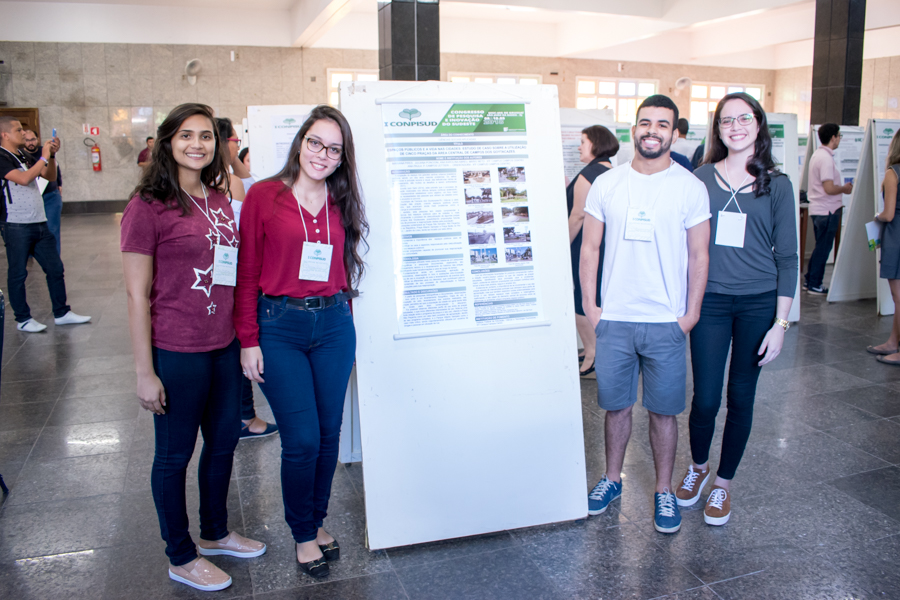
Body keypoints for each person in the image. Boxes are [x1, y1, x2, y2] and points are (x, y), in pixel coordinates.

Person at [121, 103, 266, 592]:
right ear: (167, 142)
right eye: (186, 135)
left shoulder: (220, 199)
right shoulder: (147, 206)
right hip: (177, 348)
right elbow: (135, 295)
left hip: (222, 345)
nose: (197, 145)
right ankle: (180, 556)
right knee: (174, 455)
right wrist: (145, 372)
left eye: (206, 136)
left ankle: (215, 532)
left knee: (223, 442)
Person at [236, 105, 367, 577]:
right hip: (280, 326)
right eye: (316, 142)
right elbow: (247, 271)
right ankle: (303, 533)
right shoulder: (264, 196)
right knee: (303, 439)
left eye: (334, 148)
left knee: (329, 435)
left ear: (341, 156)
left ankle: (315, 520)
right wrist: (248, 340)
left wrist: (346, 322)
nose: (323, 154)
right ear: (300, 142)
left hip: (333, 325)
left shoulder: (341, 198)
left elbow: (342, 268)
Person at [580, 95, 710, 534]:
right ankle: (611, 480)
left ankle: (663, 491)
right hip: (614, 319)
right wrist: (592, 308)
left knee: (663, 412)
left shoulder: (689, 186)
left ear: (675, 133)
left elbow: (699, 255)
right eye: (645, 123)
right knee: (615, 408)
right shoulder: (609, 184)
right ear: (633, 130)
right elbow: (591, 249)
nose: (652, 130)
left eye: (662, 124)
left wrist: (689, 315)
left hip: (667, 322)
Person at [674, 93, 797, 526]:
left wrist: (780, 324)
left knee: (741, 396)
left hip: (758, 303)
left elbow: (788, 258)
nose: (736, 126)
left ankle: (723, 485)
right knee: (705, 398)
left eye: (745, 118)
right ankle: (699, 467)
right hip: (708, 301)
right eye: (727, 120)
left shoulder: (777, 185)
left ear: (759, 125)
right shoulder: (701, 177)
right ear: (718, 129)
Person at [214, 117, 278, 440]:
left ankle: (239, 415)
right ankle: (243, 417)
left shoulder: (213, 178)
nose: (239, 144)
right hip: (232, 274)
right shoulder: (229, 181)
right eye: (235, 140)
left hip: (212, 277)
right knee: (238, 343)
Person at [0, 117, 90, 332]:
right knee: (18, 273)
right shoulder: (2, 157)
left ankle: (62, 312)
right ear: (5, 135)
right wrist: (43, 156)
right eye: (18, 130)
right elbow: (23, 179)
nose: (23, 133)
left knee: (55, 268)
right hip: (16, 224)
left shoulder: (23, 154)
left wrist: (52, 156)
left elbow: (47, 176)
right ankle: (23, 319)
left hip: (38, 221)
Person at [566, 125, 619, 377]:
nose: (579, 146)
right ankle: (594, 350)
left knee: (580, 301)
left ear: (595, 144)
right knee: (596, 296)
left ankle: (592, 353)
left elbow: (577, 216)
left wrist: (562, 247)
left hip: (584, 243)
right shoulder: (614, 172)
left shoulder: (589, 174)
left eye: (583, 141)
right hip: (606, 244)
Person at [804, 123, 852, 295]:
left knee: (820, 247)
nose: (839, 139)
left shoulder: (818, 155)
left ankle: (810, 279)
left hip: (819, 209)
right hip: (827, 210)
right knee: (823, 249)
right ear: (833, 137)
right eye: (839, 136)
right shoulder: (825, 158)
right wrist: (844, 188)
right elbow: (829, 188)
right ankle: (814, 283)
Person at [867, 130, 900, 363]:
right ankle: (892, 342)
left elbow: (888, 215)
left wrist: (877, 215)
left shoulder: (892, 173)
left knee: (898, 297)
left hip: (896, 236)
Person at [23, 130, 63, 254]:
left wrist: (59, 183)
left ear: (37, 139)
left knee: (52, 228)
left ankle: (54, 256)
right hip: (31, 197)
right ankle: (29, 253)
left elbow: (54, 168)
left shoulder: (44, 151)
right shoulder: (20, 155)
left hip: (50, 194)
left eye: (33, 139)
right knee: (29, 229)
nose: (30, 143)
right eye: (27, 140)